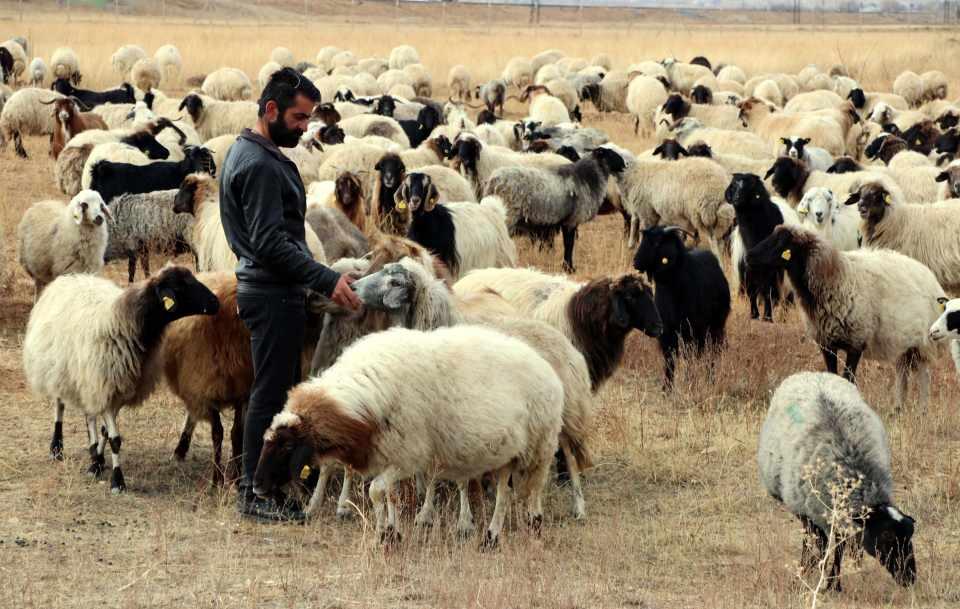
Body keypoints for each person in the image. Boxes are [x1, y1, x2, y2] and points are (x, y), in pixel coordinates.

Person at [219, 68, 362, 522]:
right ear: (271, 109)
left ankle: (270, 486)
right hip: (271, 292)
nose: (304, 128)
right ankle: (254, 492)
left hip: (269, 287)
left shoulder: (247, 151)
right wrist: (325, 278)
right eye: (299, 118)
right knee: (268, 395)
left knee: (274, 390)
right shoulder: (259, 165)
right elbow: (269, 242)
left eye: (307, 119)